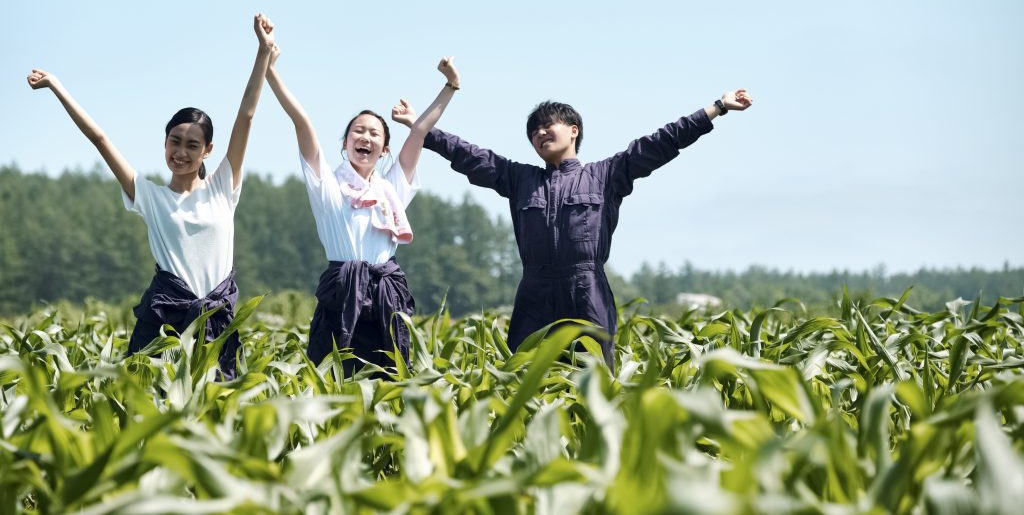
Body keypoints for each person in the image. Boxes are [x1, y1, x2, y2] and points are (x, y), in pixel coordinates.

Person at [418, 90, 754, 368]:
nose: (539, 133)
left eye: (547, 125)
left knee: (593, 379)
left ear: (574, 129)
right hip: (534, 294)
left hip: (587, 291)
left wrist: (718, 108)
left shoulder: (607, 175)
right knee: (522, 377)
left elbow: (660, 143)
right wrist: (421, 130)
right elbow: (471, 157)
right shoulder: (520, 179)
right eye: (533, 132)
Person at [26, 14, 277, 379]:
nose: (181, 152)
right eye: (174, 142)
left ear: (208, 150)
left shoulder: (224, 187)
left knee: (218, 406)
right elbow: (100, 139)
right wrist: (56, 85)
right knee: (150, 398)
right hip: (165, 320)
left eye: (192, 145)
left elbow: (247, 116)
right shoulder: (149, 195)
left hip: (216, 317)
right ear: (164, 142)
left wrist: (263, 53)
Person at [265, 43, 460, 375]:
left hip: (387, 297)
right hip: (342, 294)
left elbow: (419, 132)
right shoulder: (327, 185)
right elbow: (302, 123)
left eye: (374, 133)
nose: (365, 136)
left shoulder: (391, 191)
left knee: (390, 380)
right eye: (358, 131)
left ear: (384, 150)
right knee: (334, 378)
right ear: (345, 143)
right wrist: (270, 71)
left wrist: (450, 87)